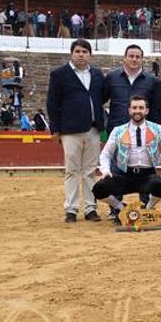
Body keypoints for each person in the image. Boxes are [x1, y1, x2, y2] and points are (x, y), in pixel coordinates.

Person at [46, 39, 106, 223]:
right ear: (72, 53)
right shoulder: (59, 74)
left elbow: (101, 99)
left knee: (89, 171)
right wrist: (55, 129)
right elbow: (52, 103)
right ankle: (71, 209)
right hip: (70, 130)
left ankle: (90, 208)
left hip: (93, 129)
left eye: (84, 52)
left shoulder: (97, 75)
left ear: (90, 55)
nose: (81, 54)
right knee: (72, 170)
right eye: (78, 51)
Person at [92, 96, 161, 222]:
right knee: (99, 189)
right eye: (134, 108)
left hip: (147, 175)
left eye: (141, 108)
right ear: (129, 110)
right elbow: (105, 153)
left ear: (147, 111)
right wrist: (105, 170)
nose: (137, 111)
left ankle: (146, 211)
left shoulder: (157, 129)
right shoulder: (118, 131)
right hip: (124, 175)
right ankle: (122, 209)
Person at [103, 45, 156, 134]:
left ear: (142, 59)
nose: (134, 59)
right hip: (116, 130)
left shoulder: (151, 80)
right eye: (131, 56)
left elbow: (155, 108)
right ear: (125, 58)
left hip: (142, 132)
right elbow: (101, 100)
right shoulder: (112, 77)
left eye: (137, 57)